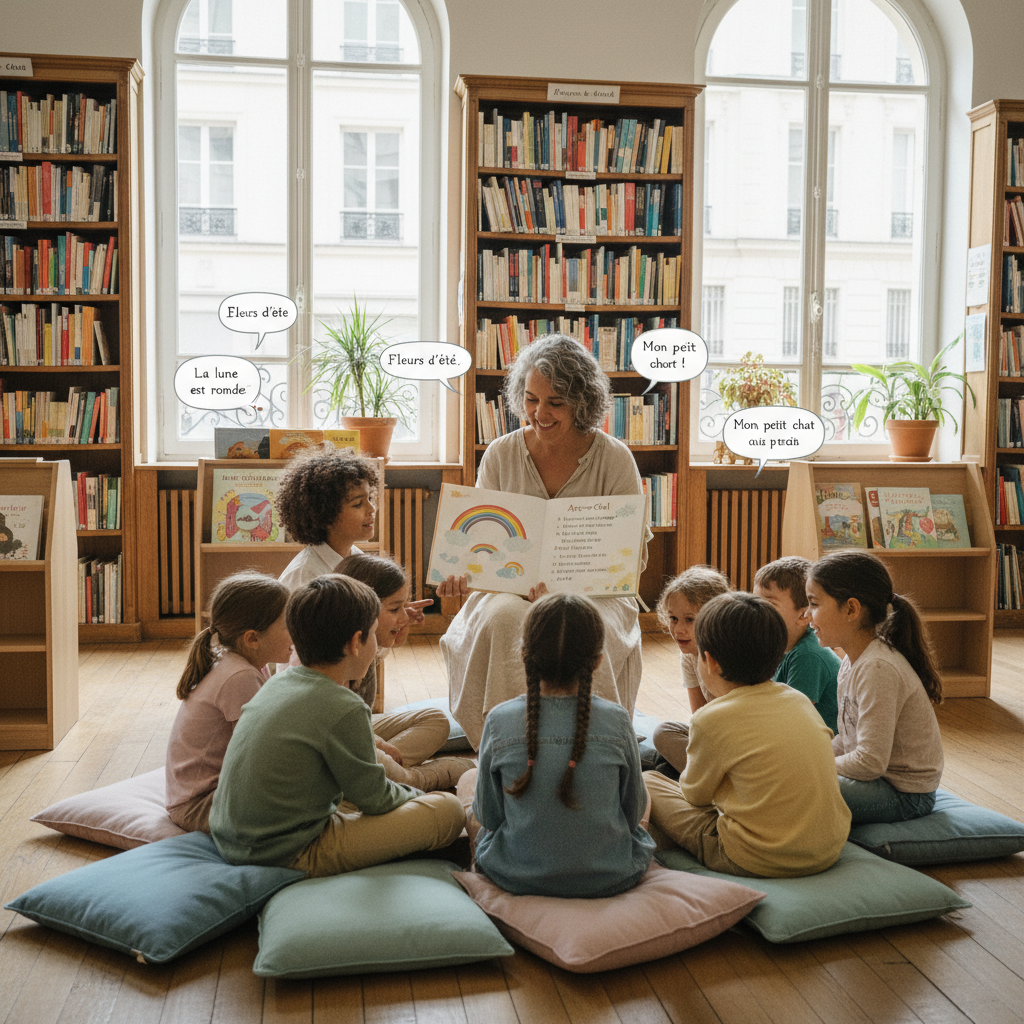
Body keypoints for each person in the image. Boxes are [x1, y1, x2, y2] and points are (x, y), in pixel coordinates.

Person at [437, 333, 651, 749]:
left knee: (592, 627)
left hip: (596, 590)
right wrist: (463, 574)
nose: (540, 413)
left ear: (582, 402)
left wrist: (572, 586)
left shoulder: (615, 457)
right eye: (532, 399)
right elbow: (480, 539)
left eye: (556, 402)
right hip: (508, 587)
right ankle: (503, 745)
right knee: (502, 620)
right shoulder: (500, 454)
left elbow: (631, 558)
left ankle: (594, 746)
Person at [209, 574, 466, 877]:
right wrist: (419, 798)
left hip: (232, 837)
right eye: (372, 634)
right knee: (448, 810)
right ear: (357, 642)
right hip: (287, 852)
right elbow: (377, 799)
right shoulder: (342, 706)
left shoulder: (278, 682)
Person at [458, 593, 654, 897]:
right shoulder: (617, 719)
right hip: (612, 877)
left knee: (468, 780)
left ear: (523, 655)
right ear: (599, 660)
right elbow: (632, 813)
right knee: (647, 789)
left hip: (515, 876)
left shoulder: (499, 720)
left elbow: (490, 816)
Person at [644, 592, 851, 878]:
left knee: (649, 781)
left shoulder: (712, 718)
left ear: (710, 661)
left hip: (754, 857)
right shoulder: (797, 699)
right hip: (829, 848)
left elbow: (695, 796)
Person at [274, 446, 439, 781]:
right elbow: (297, 673)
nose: (372, 510)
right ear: (324, 515)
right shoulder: (303, 579)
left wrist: (395, 619)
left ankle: (378, 766)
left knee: (437, 721)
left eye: (370, 498)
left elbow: (365, 646)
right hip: (321, 717)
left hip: (353, 713)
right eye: (357, 503)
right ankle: (383, 770)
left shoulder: (357, 560)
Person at [806, 550, 944, 824]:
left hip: (904, 795)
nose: (808, 614)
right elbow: (847, 742)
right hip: (877, 781)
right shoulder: (852, 661)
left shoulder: (878, 667)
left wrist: (813, 768)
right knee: (789, 780)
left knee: (795, 790)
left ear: (851, 609)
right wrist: (809, 757)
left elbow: (870, 762)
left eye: (814, 603)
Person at [165, 571, 292, 832]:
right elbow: (257, 754)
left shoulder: (242, 661)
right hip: (200, 805)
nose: (295, 631)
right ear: (253, 638)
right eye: (286, 625)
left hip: (203, 795)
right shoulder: (240, 676)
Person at [337, 553, 474, 790]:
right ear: (362, 610)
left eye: (404, 605)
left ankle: (388, 773)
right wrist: (433, 775)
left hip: (353, 733)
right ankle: (408, 778)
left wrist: (394, 629)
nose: (404, 615)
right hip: (340, 745)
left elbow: (354, 724)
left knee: (436, 720)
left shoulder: (358, 642)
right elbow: (341, 734)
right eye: (394, 608)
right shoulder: (331, 664)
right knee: (449, 808)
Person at [649, 566, 731, 773]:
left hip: (736, 740)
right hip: (712, 736)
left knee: (659, 771)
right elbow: (699, 718)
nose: (678, 630)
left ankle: (699, 777)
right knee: (663, 732)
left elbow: (738, 720)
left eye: (689, 619)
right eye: (673, 618)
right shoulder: (688, 656)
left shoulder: (729, 655)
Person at [752, 556, 840, 733]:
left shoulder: (808, 655)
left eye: (768, 604)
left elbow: (791, 716)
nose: (754, 610)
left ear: (803, 616)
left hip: (819, 747)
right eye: (755, 602)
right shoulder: (774, 644)